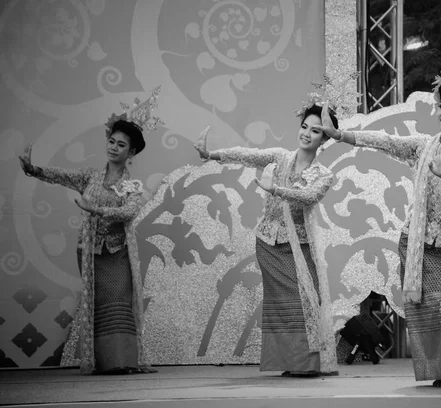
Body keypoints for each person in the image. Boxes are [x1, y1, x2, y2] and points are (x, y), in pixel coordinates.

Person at [316, 65, 441, 386]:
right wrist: (341, 135)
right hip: (417, 242)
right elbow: (385, 141)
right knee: (428, 311)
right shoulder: (423, 147)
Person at [18, 88, 163, 374]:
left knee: (118, 303)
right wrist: (34, 170)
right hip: (89, 251)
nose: (114, 148)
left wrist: (97, 211)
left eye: (121, 145)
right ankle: (105, 363)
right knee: (97, 304)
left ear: (131, 152)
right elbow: (62, 175)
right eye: (112, 141)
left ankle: (123, 361)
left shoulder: (130, 186)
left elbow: (129, 213)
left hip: (116, 253)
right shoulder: (91, 177)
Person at [194, 104, 339, 377]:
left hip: (300, 247)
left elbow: (309, 197)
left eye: (315, 130)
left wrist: (277, 189)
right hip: (269, 244)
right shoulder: (280, 157)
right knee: (280, 307)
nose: (307, 134)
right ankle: (288, 363)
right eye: (304, 127)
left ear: (325, 138)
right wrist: (210, 154)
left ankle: (305, 364)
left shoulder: (323, 174)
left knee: (303, 303)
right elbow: (247, 155)